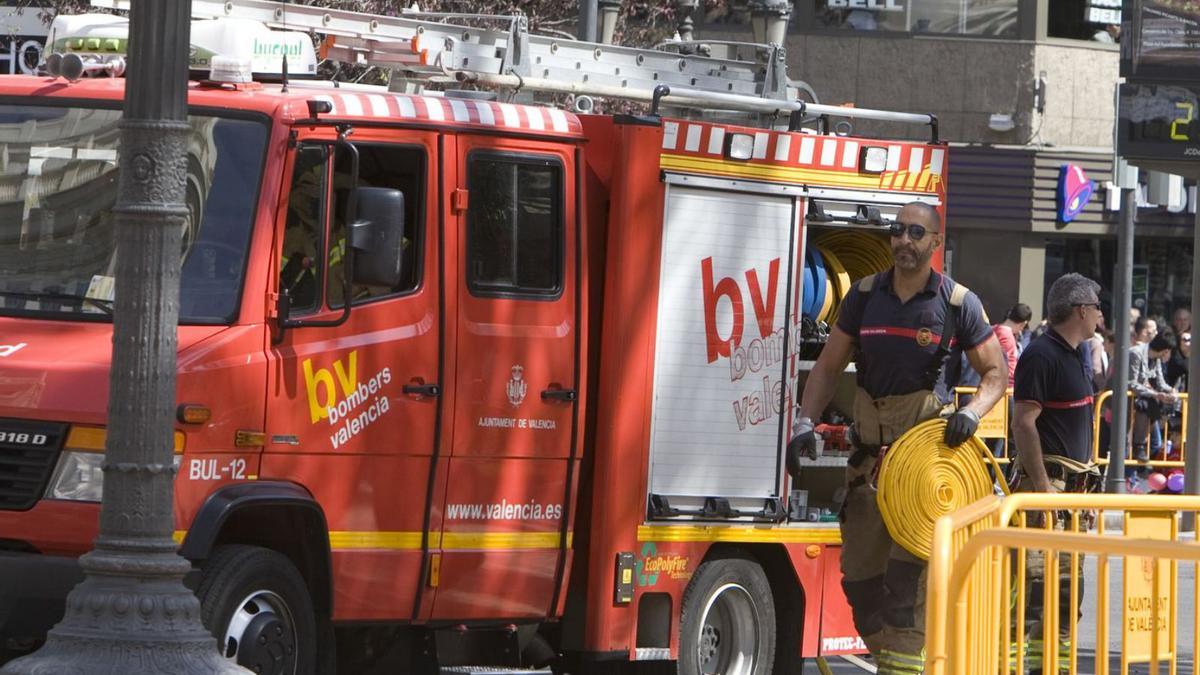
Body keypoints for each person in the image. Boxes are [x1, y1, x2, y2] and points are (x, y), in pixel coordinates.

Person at [786, 202, 1007, 675]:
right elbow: (826, 368)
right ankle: (899, 662)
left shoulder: (956, 303)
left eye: (915, 232)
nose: (904, 240)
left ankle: (903, 668)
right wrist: (804, 422)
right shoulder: (865, 296)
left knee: (906, 591)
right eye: (897, 231)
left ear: (935, 243)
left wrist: (972, 411)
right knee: (862, 588)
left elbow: (996, 372)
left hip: (925, 476)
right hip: (869, 472)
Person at [1011, 273, 1102, 674]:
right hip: (1048, 488)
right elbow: (1024, 423)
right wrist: (1044, 491)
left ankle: (1055, 668)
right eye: (1097, 307)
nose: (1100, 315)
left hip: (1071, 496)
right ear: (1081, 311)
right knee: (1036, 591)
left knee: (1066, 593)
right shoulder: (1042, 355)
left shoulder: (1074, 353)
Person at [1129, 334, 1178, 475]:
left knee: (1155, 443)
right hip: (1130, 406)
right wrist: (1156, 394)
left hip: (1147, 407)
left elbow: (1160, 382)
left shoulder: (1156, 359)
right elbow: (1131, 383)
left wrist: (1171, 390)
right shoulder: (1136, 353)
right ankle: (1128, 477)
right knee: (1129, 450)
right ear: (1165, 350)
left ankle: (1134, 475)